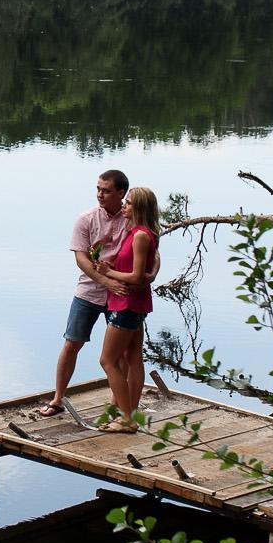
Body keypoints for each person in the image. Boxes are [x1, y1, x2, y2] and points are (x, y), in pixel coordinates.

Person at [41, 170, 132, 418]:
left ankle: (116, 404)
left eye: (106, 190)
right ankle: (58, 398)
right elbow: (81, 260)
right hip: (89, 291)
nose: (100, 195)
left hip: (121, 292)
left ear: (121, 193)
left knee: (121, 352)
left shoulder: (131, 218)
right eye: (98, 189)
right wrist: (106, 281)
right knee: (72, 343)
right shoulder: (86, 219)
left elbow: (148, 250)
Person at [96, 185, 160, 432]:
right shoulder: (135, 233)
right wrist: (113, 262)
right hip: (131, 304)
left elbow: (136, 276)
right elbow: (150, 264)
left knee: (108, 360)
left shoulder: (141, 235)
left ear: (140, 208)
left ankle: (126, 419)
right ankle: (130, 414)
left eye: (129, 202)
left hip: (127, 305)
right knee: (133, 358)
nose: (124, 205)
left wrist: (107, 272)